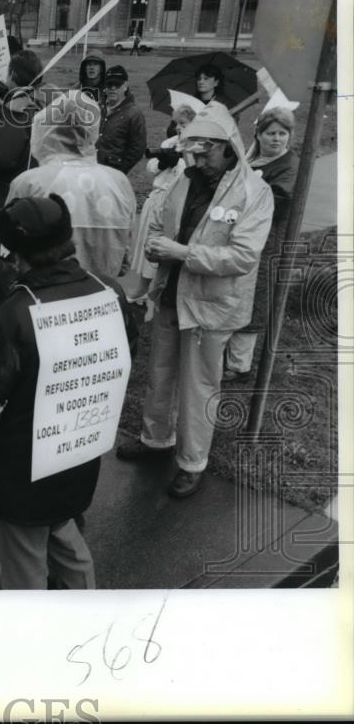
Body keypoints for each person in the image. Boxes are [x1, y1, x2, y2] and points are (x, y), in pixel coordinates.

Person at [0, 195, 137, 589]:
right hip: (77, 460)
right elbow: (125, 355)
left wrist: (8, 293)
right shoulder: (111, 292)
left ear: (12, 256)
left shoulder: (8, 321)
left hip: (19, 480)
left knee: (24, 569)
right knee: (66, 542)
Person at [116, 102, 274, 499]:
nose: (198, 160)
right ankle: (156, 441)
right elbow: (161, 219)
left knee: (199, 384)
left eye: (206, 152)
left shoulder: (254, 192)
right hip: (171, 294)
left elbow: (242, 257)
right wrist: (155, 245)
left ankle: (192, 462)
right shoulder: (185, 179)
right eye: (193, 152)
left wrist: (181, 252)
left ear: (229, 147)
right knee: (161, 374)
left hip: (212, 304)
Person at [6, 90, 136, 280]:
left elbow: (7, 257)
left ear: (46, 131)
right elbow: (125, 259)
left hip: (46, 298)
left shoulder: (29, 182)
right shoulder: (118, 182)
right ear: (91, 131)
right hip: (102, 297)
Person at [223, 106, 300, 380]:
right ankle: (227, 354)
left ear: (289, 136)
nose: (276, 139)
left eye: (282, 133)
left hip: (266, 241)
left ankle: (239, 365)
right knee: (236, 291)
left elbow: (279, 202)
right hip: (243, 237)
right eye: (270, 133)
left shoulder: (288, 166)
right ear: (259, 134)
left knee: (254, 298)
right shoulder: (254, 159)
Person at [0, 50, 45, 309]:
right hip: (29, 206)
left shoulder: (17, 109)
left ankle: (3, 335)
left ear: (13, 75)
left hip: (2, 209)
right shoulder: (37, 105)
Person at [127, 96, 202, 304]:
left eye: (183, 124)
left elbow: (192, 175)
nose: (178, 127)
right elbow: (150, 167)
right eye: (176, 123)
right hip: (158, 199)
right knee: (148, 247)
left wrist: (183, 159)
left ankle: (159, 290)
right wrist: (163, 162)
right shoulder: (170, 143)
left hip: (177, 204)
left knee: (166, 248)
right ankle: (141, 288)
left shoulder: (198, 147)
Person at [96, 65, 147, 175]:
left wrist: (120, 170)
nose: (113, 88)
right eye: (109, 84)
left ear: (125, 86)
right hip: (92, 169)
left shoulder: (134, 114)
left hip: (114, 173)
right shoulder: (98, 108)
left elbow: (138, 149)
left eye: (117, 84)